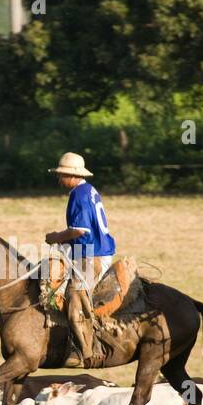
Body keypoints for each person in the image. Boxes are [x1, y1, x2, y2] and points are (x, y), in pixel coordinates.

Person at [44, 152, 116, 368]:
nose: (59, 179)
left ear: (71, 175)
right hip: (89, 251)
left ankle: (85, 351)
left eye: (61, 175)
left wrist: (56, 237)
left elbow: (79, 230)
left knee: (74, 299)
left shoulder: (79, 195)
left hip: (92, 255)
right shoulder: (88, 190)